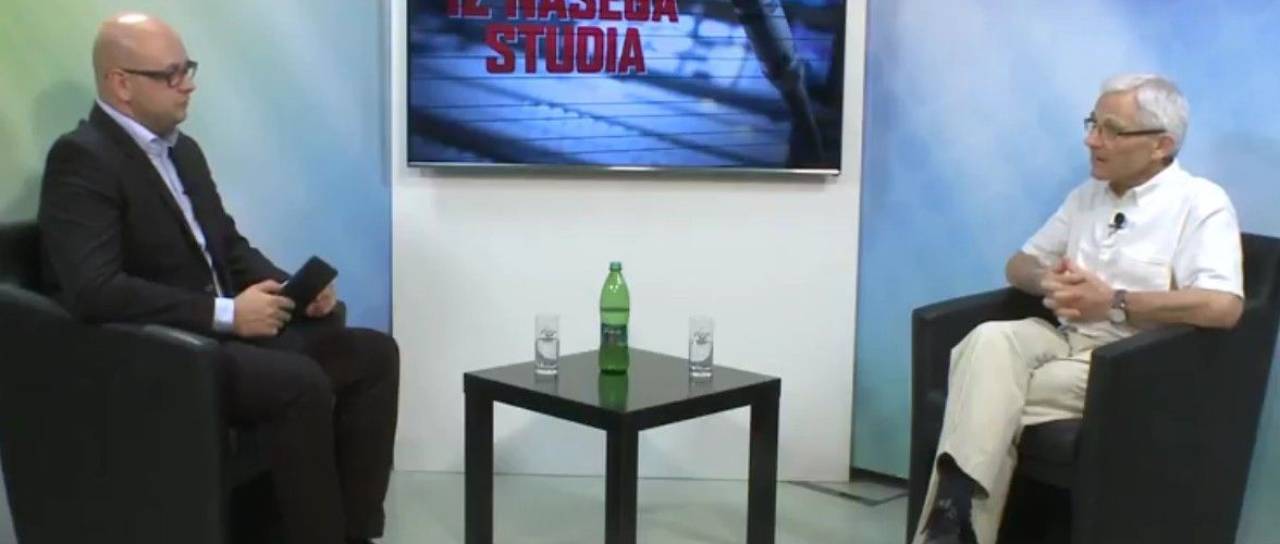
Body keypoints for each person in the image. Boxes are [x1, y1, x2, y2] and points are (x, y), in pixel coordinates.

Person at [37, 13, 398, 544]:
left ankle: (355, 532)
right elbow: (95, 289)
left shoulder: (182, 150)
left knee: (373, 354)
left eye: (188, 68)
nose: (189, 84)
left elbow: (227, 245)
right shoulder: (81, 159)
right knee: (299, 384)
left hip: (220, 337)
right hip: (163, 353)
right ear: (121, 84)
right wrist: (227, 314)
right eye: (172, 74)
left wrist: (293, 287)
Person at [913, 74, 1244, 544]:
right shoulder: (1086, 196)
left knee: (980, 385)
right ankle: (955, 518)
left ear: (1161, 144)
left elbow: (1223, 306)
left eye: (1112, 130)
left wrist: (1114, 302)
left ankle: (951, 523)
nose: (1092, 140)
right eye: (1093, 124)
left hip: (1130, 359)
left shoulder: (1201, 202)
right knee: (986, 341)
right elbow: (1018, 264)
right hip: (1063, 338)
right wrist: (1048, 280)